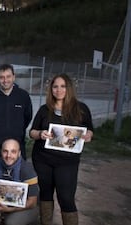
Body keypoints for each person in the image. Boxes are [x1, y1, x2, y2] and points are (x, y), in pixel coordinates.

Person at [29, 73, 94, 225]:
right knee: (45, 194)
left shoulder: (81, 109)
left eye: (63, 86)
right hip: (43, 159)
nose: (59, 90)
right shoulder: (45, 110)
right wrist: (40, 133)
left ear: (69, 88)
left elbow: (89, 129)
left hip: (67, 162)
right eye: (55, 86)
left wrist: (88, 135)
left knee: (66, 198)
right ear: (51, 89)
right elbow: (32, 132)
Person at [0, 63, 32, 164]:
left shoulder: (23, 96)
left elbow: (27, 117)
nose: (5, 80)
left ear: (14, 77)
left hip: (16, 146)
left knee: (16, 178)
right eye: (2, 77)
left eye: (8, 76)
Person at [0, 139, 39, 225]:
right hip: (2, 202)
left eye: (13, 151)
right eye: (5, 151)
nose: (8, 155)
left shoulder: (27, 170)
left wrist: (9, 209)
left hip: (26, 207)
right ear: (1, 152)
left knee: (11, 222)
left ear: (19, 153)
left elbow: (32, 203)